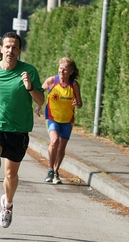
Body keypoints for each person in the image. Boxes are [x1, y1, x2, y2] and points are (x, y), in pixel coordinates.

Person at [0, 31, 44, 228]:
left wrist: (29, 87)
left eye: (14, 47)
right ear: (1, 48)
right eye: (7, 46)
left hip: (18, 130)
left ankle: (7, 204)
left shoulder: (29, 71)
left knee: (10, 174)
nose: (10, 50)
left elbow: (40, 100)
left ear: (19, 50)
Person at [35, 57, 82, 184]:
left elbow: (79, 104)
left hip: (67, 120)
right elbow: (39, 93)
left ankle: (56, 171)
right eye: (60, 68)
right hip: (52, 118)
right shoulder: (51, 81)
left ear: (71, 72)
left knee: (61, 149)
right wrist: (39, 105)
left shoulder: (74, 85)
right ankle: (50, 169)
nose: (62, 72)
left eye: (65, 70)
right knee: (54, 141)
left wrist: (76, 103)